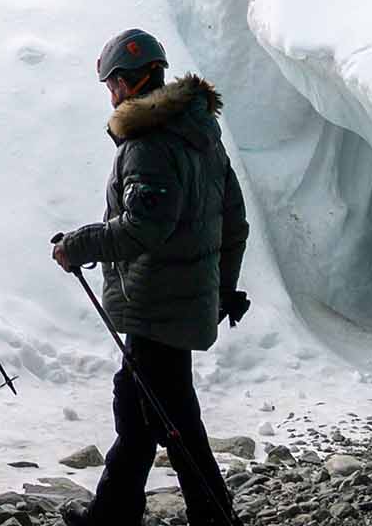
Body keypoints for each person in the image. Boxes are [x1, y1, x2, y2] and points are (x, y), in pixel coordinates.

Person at [51, 29, 250, 526]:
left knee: (169, 416)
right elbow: (234, 223)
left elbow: (145, 228)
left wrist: (79, 246)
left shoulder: (149, 145)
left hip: (157, 304)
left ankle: (212, 514)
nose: (110, 95)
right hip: (181, 301)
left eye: (110, 84)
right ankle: (117, 510)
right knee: (145, 408)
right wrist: (223, 289)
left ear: (126, 83)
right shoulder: (202, 138)